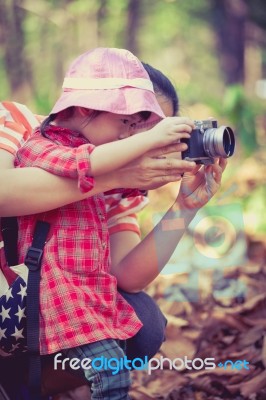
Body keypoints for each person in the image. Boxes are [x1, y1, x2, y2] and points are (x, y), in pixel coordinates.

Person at [0, 52, 227, 399]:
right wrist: (113, 174)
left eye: (154, 130)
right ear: (89, 105)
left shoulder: (124, 184)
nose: (136, 137)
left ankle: (23, 385)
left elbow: (127, 276)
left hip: (41, 305)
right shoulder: (20, 125)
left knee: (143, 325)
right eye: (132, 121)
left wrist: (184, 207)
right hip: (10, 297)